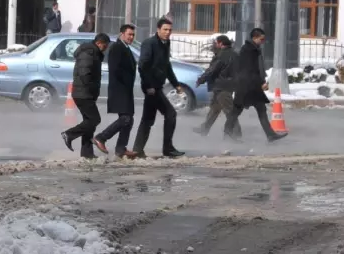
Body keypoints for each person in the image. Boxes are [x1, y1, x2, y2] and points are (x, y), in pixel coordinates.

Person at [131, 17, 184, 158]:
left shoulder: (166, 43)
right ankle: (167, 149)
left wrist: (176, 84)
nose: (168, 32)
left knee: (148, 119)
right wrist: (148, 86)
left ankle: (138, 150)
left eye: (170, 30)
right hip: (151, 87)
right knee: (170, 113)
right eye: (165, 30)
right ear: (158, 30)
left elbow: (167, 66)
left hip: (157, 86)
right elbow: (143, 66)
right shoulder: (149, 43)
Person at [225, 28, 287, 143]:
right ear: (255, 38)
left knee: (259, 109)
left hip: (249, 85)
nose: (262, 42)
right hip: (247, 85)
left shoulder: (252, 49)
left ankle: (270, 134)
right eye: (261, 39)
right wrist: (261, 83)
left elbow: (256, 69)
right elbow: (250, 70)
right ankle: (227, 131)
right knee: (238, 109)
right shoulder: (249, 50)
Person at [61, 32, 110, 159]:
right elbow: (84, 72)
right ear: (99, 43)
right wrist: (91, 87)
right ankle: (69, 134)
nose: (106, 48)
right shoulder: (88, 53)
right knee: (94, 119)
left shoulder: (93, 52)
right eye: (105, 46)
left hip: (86, 93)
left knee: (89, 122)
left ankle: (87, 153)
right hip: (83, 93)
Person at [95, 23, 138, 158]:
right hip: (119, 89)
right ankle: (101, 138)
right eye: (129, 34)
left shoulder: (126, 48)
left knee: (129, 119)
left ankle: (121, 148)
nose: (131, 37)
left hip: (126, 89)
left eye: (133, 35)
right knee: (125, 118)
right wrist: (125, 83)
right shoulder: (117, 48)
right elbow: (115, 70)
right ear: (122, 34)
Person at [194, 35, 239, 138]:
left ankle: (237, 135)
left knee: (230, 112)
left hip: (221, 86)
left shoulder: (222, 55)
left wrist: (201, 80)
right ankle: (204, 128)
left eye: (216, 43)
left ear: (220, 44)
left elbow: (212, 70)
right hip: (227, 85)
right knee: (214, 109)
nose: (214, 45)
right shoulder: (235, 54)